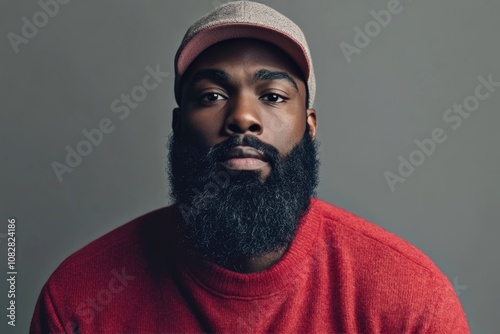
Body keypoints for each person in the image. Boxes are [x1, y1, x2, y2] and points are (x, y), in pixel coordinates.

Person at [30, 1, 470, 333]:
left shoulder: (411, 300)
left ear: (309, 125)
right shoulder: (78, 300)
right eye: (211, 96)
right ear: (178, 124)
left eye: (274, 96)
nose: (243, 117)